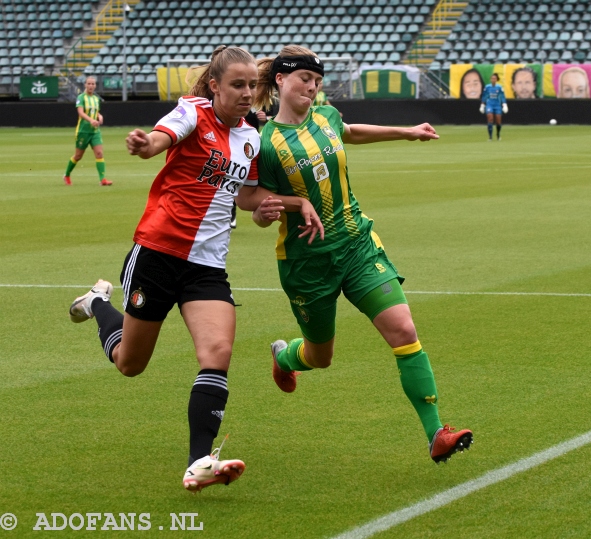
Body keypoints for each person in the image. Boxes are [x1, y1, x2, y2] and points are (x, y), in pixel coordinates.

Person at [67, 46, 292, 492]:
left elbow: (245, 196)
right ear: (215, 86)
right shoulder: (193, 111)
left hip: (207, 266)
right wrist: (145, 143)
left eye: (251, 86)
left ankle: (199, 462)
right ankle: (97, 303)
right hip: (158, 254)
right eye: (237, 85)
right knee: (130, 364)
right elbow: (161, 138)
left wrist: (263, 210)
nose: (248, 93)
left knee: (218, 353)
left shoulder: (251, 137)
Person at [237, 45, 474, 464]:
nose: (311, 88)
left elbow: (350, 132)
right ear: (280, 80)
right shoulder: (265, 143)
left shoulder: (325, 116)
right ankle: (285, 355)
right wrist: (274, 211)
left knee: (403, 328)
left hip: (357, 244)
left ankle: (436, 431)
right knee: (319, 357)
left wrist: (406, 132)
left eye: (316, 82)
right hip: (307, 263)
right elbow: (250, 200)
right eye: (304, 80)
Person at [63, 76, 112, 186]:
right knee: (78, 156)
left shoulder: (96, 99)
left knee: (99, 153)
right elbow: (81, 112)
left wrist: (99, 116)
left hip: (95, 131)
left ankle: (103, 179)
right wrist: (91, 120)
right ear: (85, 85)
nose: (91, 86)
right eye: (88, 84)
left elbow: (95, 112)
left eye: (93, 84)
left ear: (95, 86)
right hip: (83, 131)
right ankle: (66, 175)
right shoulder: (81, 97)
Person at [480, 73, 508, 141]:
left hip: (497, 105)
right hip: (489, 105)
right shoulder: (487, 87)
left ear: (496, 79)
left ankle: (498, 135)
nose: (493, 79)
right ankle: (490, 137)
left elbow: (502, 96)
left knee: (498, 121)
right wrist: (482, 105)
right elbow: (484, 96)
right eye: (492, 78)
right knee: (490, 119)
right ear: (490, 79)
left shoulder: (499, 87)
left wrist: (504, 105)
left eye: (494, 78)